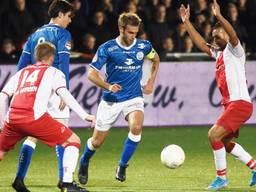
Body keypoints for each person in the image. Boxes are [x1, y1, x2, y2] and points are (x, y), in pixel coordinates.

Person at [179, 0, 255, 190]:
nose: (215, 39)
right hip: (232, 105)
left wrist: (219, 16)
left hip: (240, 104)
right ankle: (255, 169)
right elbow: (200, 44)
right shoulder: (219, 54)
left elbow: (233, 34)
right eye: (213, 37)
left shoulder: (235, 50)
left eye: (218, 35)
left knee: (213, 135)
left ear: (226, 36)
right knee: (224, 142)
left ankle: (222, 178)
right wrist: (187, 22)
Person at [77, 12, 160, 185]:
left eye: (135, 33)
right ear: (121, 29)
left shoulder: (143, 46)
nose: (133, 36)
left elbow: (156, 59)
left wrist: (151, 82)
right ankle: (84, 161)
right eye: (130, 32)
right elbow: (91, 74)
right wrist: (108, 86)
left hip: (133, 96)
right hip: (111, 100)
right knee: (96, 142)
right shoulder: (107, 48)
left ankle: (122, 165)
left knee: (136, 127)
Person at [0, 42, 94, 192]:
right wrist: (85, 115)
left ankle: (19, 179)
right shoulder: (54, 72)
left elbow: (3, 95)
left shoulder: (22, 72)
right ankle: (67, 184)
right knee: (73, 141)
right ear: (52, 58)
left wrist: (2, 122)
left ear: (35, 56)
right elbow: (64, 94)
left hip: (12, 119)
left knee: (1, 152)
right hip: (34, 118)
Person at [14, 0, 75, 191]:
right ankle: (64, 181)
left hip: (34, 89)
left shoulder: (34, 35)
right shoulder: (62, 34)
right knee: (64, 136)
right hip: (53, 86)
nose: (70, 21)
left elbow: (21, 66)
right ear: (60, 14)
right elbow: (63, 64)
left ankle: (19, 178)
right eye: (68, 16)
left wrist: (20, 89)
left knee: (32, 135)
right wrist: (64, 93)